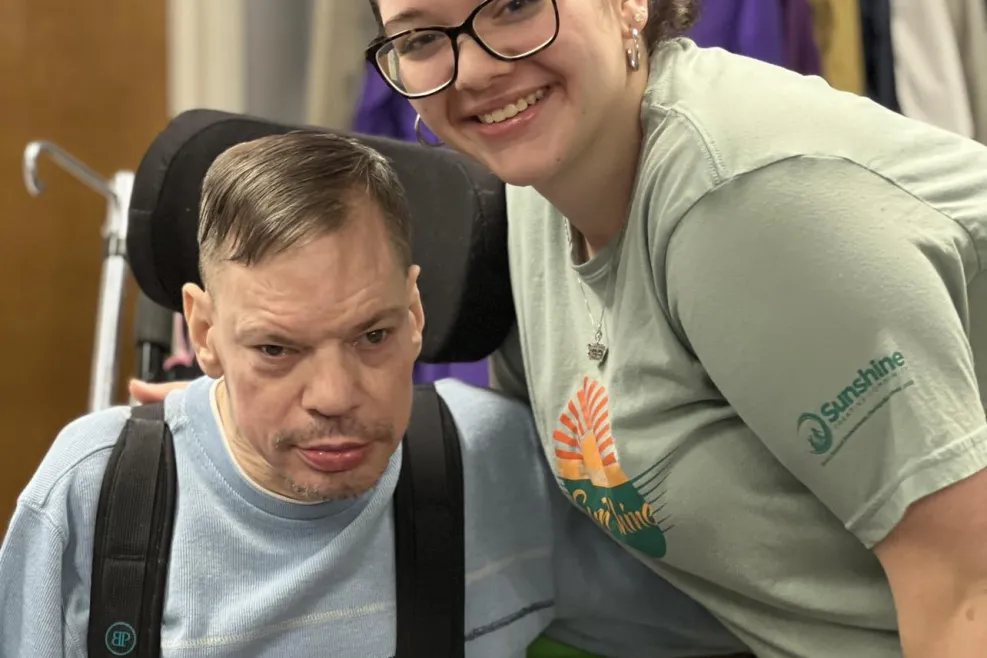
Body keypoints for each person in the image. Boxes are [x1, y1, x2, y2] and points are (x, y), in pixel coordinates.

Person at [358, 0, 987, 656]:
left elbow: (965, 589)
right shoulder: (537, 191)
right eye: (424, 37)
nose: (476, 70)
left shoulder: (743, 201)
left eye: (515, 6)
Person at [0, 131, 749, 658]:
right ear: (203, 332)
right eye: (274, 349)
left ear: (415, 312)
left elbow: (743, 623)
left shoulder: (493, 463)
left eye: (372, 337)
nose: (332, 397)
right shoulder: (98, 494)